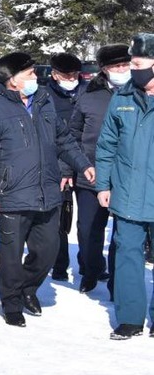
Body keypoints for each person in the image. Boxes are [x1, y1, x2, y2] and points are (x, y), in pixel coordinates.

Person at [0, 52, 93, 328]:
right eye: (29, 74)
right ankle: (12, 302)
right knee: (11, 256)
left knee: (49, 250)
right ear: (12, 80)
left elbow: (62, 139)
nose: (35, 77)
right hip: (11, 194)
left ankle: (27, 287)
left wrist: (82, 164)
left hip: (47, 192)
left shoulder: (43, 100)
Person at [94, 33, 154, 339]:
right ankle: (130, 319)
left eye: (138, 63)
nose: (133, 69)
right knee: (127, 255)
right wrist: (103, 185)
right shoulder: (123, 98)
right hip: (128, 192)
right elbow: (106, 146)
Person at [69, 44, 130, 294]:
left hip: (127, 174)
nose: (122, 70)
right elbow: (72, 134)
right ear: (104, 69)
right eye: (116, 66)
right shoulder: (88, 94)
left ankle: (118, 279)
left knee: (123, 233)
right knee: (88, 228)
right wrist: (72, 167)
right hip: (91, 171)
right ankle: (91, 271)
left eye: (125, 65)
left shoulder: (139, 92)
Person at [44, 52, 87, 283]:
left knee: (89, 222)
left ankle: (90, 265)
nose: (71, 78)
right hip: (59, 165)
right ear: (54, 74)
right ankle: (59, 264)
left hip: (88, 163)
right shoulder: (45, 95)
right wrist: (63, 168)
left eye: (74, 74)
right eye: (66, 75)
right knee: (61, 218)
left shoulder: (88, 91)